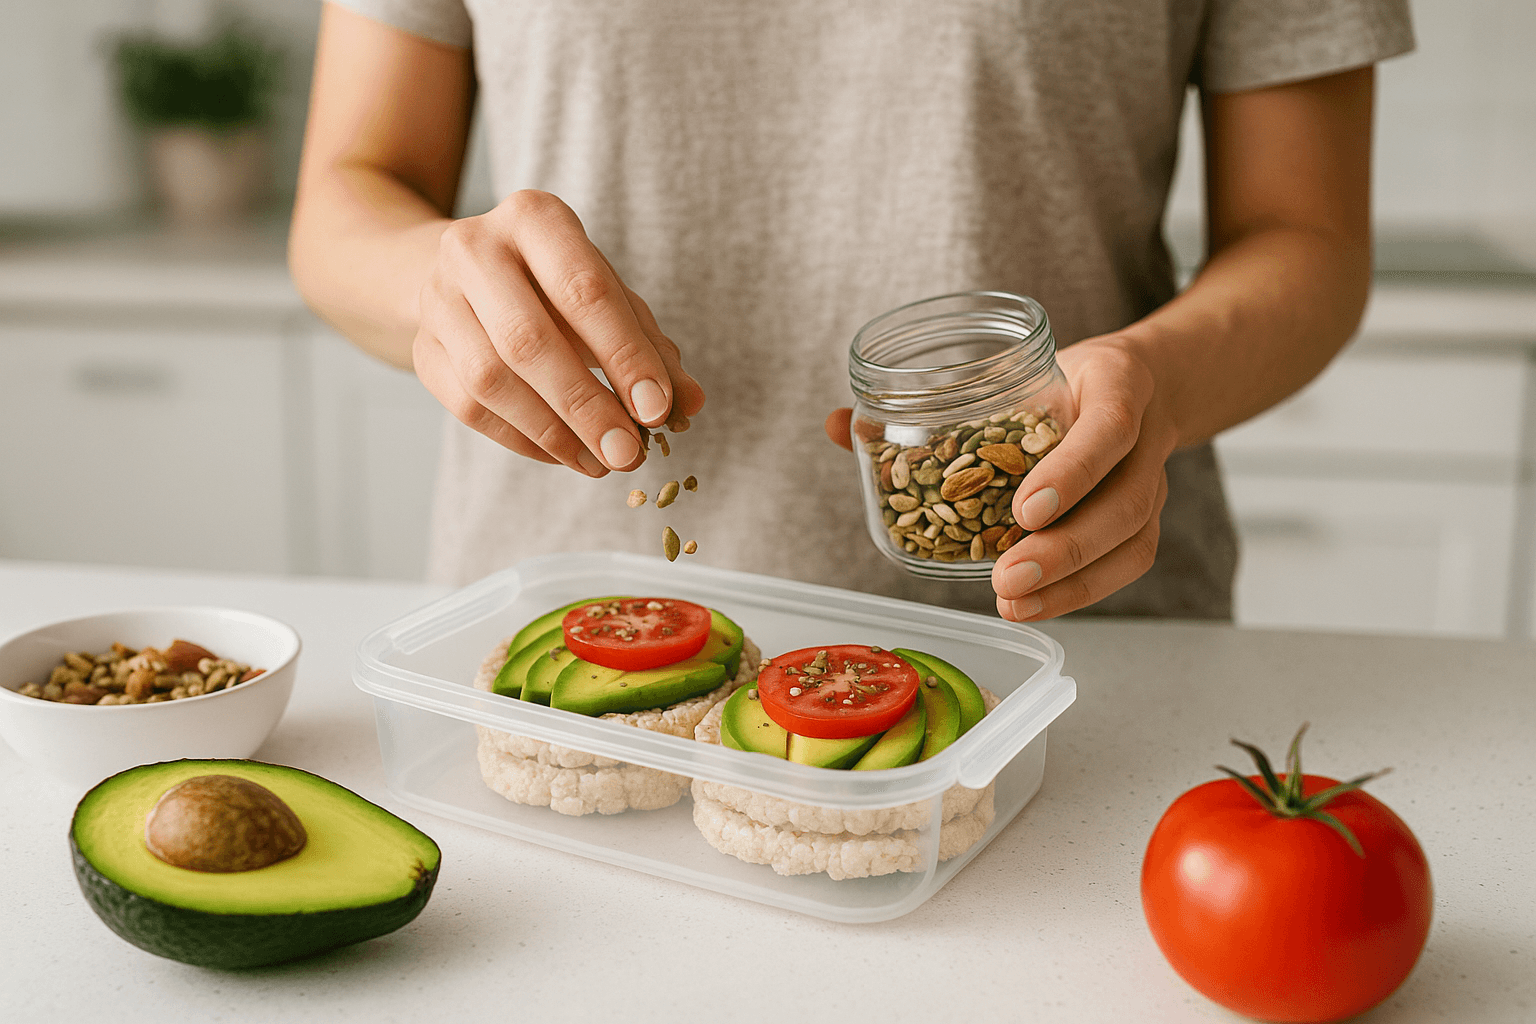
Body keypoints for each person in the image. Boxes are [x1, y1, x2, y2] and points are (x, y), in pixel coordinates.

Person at [288, 0, 1414, 622]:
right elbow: (347, 194)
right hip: (572, 634)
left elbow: (1306, 238)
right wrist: (436, 278)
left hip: (1065, 635)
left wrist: (1156, 385)